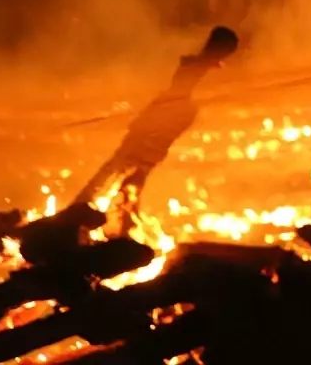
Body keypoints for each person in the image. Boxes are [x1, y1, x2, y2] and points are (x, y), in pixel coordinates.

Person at [70, 26, 239, 221]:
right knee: (118, 169)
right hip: (153, 131)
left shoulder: (200, 68)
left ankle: (117, 220)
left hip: (159, 132)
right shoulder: (194, 68)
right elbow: (176, 99)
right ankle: (79, 211)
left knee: (128, 175)